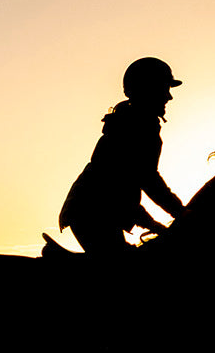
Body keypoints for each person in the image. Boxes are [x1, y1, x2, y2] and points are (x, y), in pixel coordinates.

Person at [58, 57, 185, 257]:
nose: (169, 97)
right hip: (92, 213)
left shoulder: (132, 122)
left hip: (96, 211)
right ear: (148, 89)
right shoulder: (139, 126)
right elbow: (147, 180)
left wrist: (155, 222)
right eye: (164, 89)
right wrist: (182, 214)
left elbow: (126, 185)